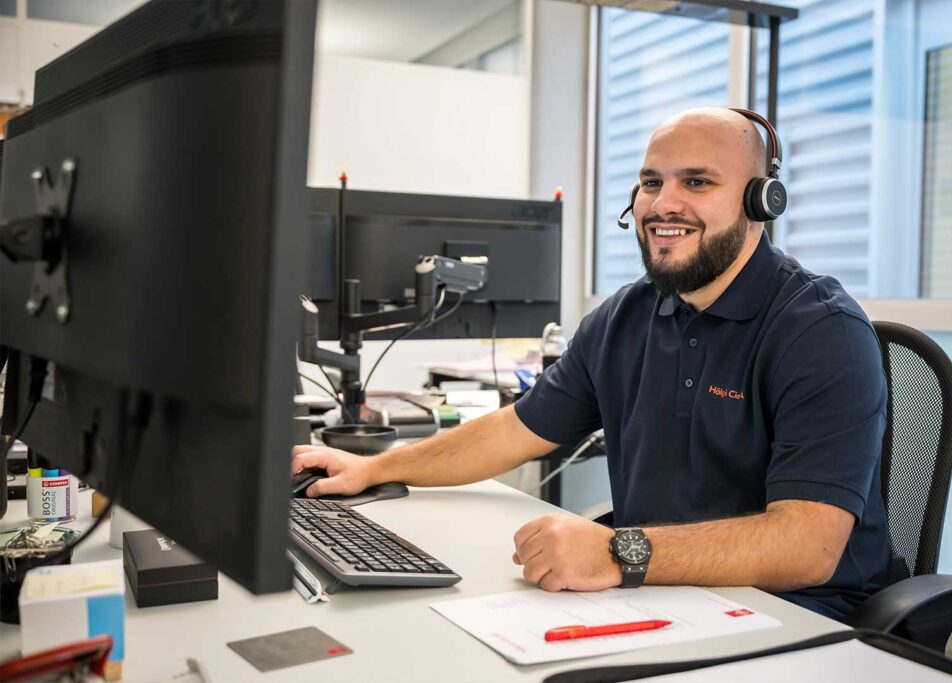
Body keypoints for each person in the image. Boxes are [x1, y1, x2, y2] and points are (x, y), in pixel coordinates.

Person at [291, 107, 890, 619]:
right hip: (658, 594)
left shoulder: (819, 332)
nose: (664, 203)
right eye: (651, 182)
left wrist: (615, 552)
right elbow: (514, 429)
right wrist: (374, 467)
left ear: (761, 202)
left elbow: (808, 547)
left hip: (793, 614)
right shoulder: (626, 316)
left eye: (698, 182)